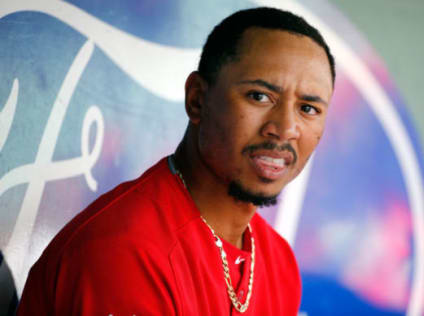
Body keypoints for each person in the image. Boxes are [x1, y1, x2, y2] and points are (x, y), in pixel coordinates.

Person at [16, 6, 335, 315]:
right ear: (197, 99)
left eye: (308, 109)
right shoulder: (129, 250)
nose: (285, 129)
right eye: (259, 96)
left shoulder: (278, 262)